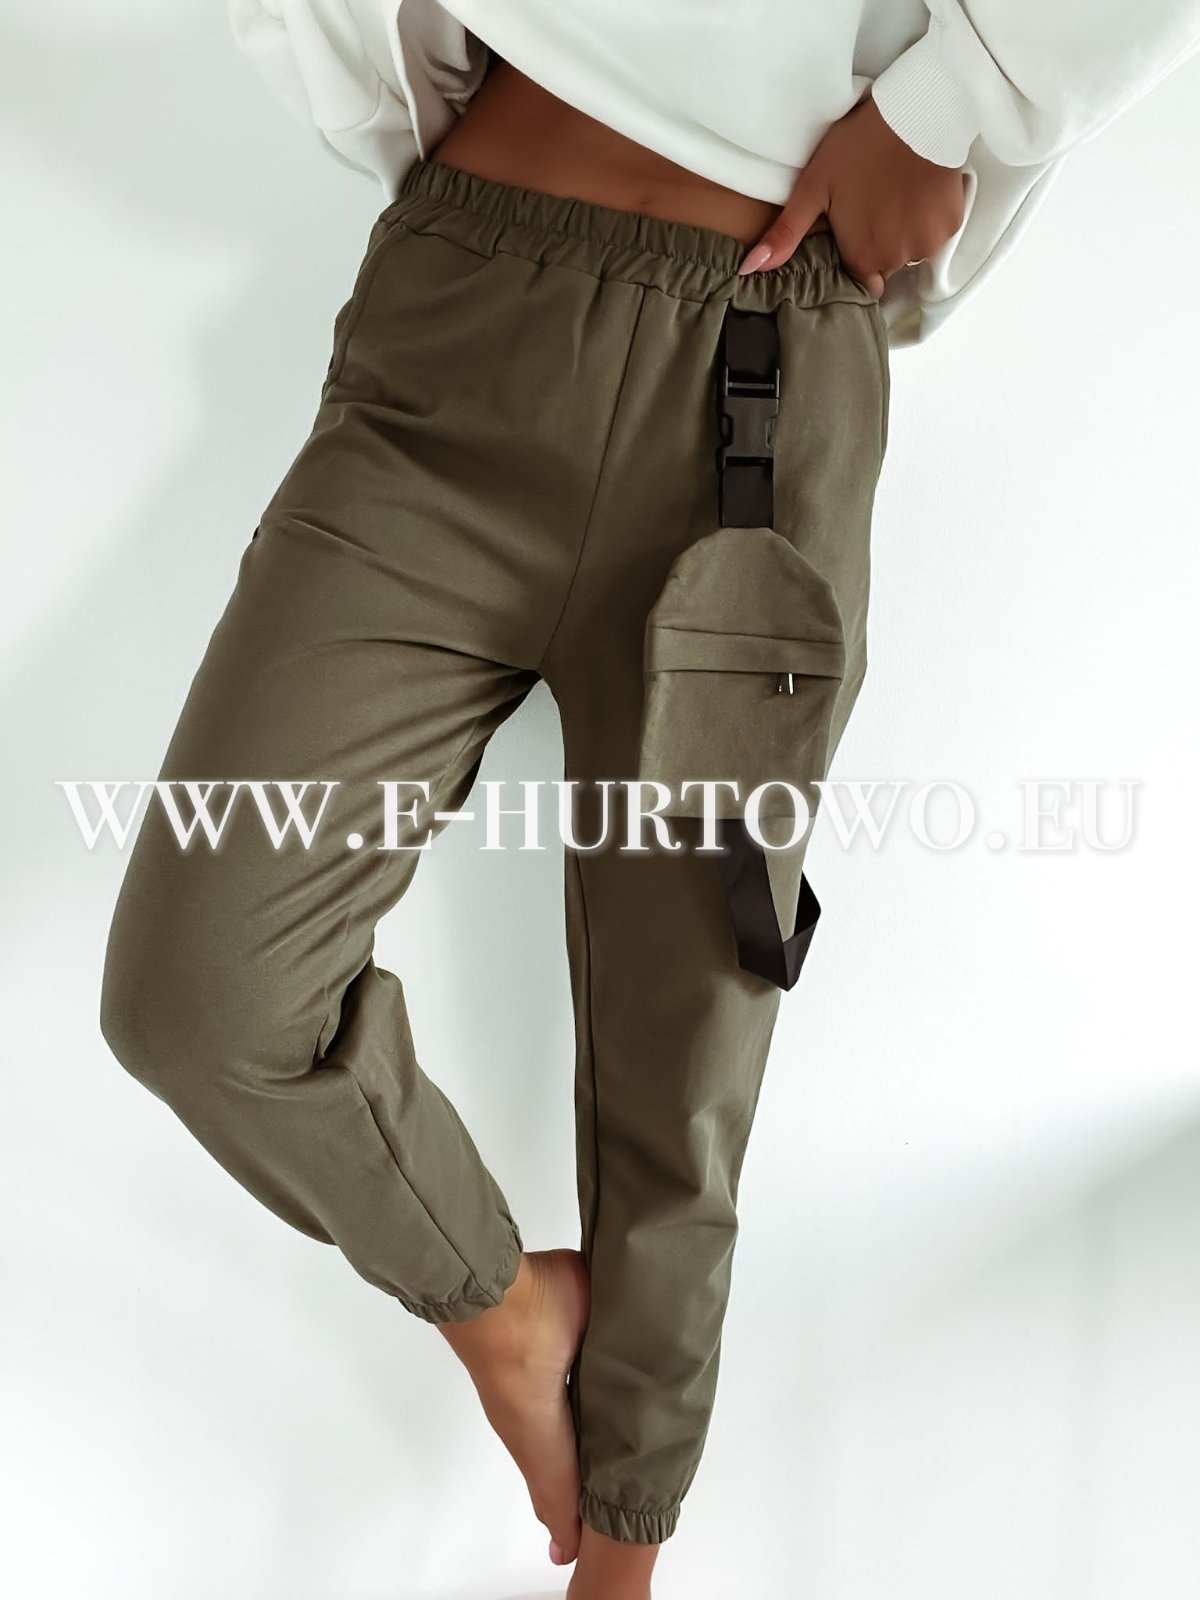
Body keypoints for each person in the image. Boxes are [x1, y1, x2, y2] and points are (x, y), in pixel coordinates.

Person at [100, 6, 1200, 1597]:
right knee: (200, 993)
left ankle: (621, 1557)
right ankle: (505, 1312)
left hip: (759, 374)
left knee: (685, 1055)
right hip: (459, 313)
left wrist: (955, 97)